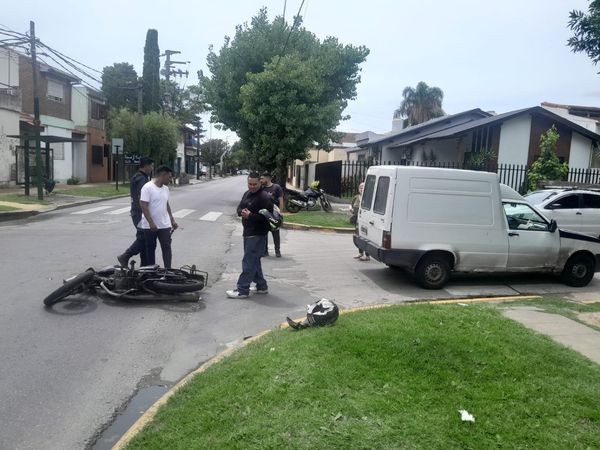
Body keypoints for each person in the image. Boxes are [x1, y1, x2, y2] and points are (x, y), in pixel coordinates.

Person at [226, 172, 273, 299]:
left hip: (258, 234)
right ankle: (262, 286)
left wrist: (250, 216)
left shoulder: (264, 197)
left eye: (254, 184)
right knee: (254, 261)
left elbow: (267, 218)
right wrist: (241, 212)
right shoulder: (247, 194)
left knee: (248, 261)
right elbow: (239, 207)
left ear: (260, 182)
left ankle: (242, 290)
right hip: (248, 232)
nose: (252, 186)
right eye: (249, 184)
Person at [139, 166, 178, 269]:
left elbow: (166, 204)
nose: (170, 179)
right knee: (151, 249)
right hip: (149, 226)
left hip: (164, 225)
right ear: (162, 175)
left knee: (167, 248)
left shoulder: (166, 189)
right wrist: (151, 223)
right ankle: (151, 272)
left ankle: (168, 270)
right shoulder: (147, 187)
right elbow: (143, 205)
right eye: (169, 177)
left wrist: (172, 220)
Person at [117, 157, 153, 267]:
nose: (152, 168)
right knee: (144, 238)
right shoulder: (142, 179)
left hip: (136, 212)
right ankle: (125, 256)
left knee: (143, 237)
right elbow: (142, 198)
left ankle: (144, 264)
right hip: (140, 213)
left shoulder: (137, 176)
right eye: (151, 166)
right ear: (145, 165)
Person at [260, 172, 284, 257]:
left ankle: (277, 250)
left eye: (262, 178)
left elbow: (281, 200)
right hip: (264, 214)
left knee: (275, 233)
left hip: (274, 213)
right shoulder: (261, 188)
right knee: (264, 233)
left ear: (268, 178)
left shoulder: (276, 187)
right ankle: (265, 251)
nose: (261, 180)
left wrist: (280, 213)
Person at [351, 182, 370, 261]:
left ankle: (367, 255)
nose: (361, 189)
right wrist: (351, 209)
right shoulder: (356, 197)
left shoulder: (368, 198)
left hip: (365, 221)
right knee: (358, 237)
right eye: (360, 188)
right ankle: (360, 253)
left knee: (366, 237)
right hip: (358, 220)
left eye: (363, 188)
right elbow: (351, 205)